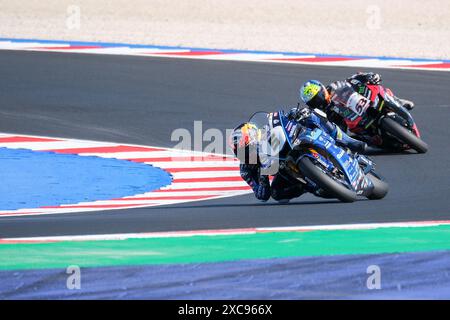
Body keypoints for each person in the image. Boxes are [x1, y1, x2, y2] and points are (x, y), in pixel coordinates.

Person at [229, 106, 367, 203]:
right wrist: (264, 178)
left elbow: (280, 118)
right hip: (283, 168)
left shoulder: (267, 126)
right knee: (277, 194)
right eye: (240, 151)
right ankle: (312, 184)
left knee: (313, 115)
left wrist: (296, 113)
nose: (245, 153)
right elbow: (262, 195)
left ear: (254, 135)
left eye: (246, 148)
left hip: (294, 140)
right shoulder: (246, 170)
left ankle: (347, 141)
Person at [299, 73, 415, 142]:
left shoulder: (335, 86)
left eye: (317, 97)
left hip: (365, 105)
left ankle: (398, 100)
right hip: (358, 124)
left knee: (381, 90)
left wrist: (368, 76)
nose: (318, 102)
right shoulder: (322, 113)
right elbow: (337, 129)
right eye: (313, 102)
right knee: (363, 142)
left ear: (322, 90)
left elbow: (352, 80)